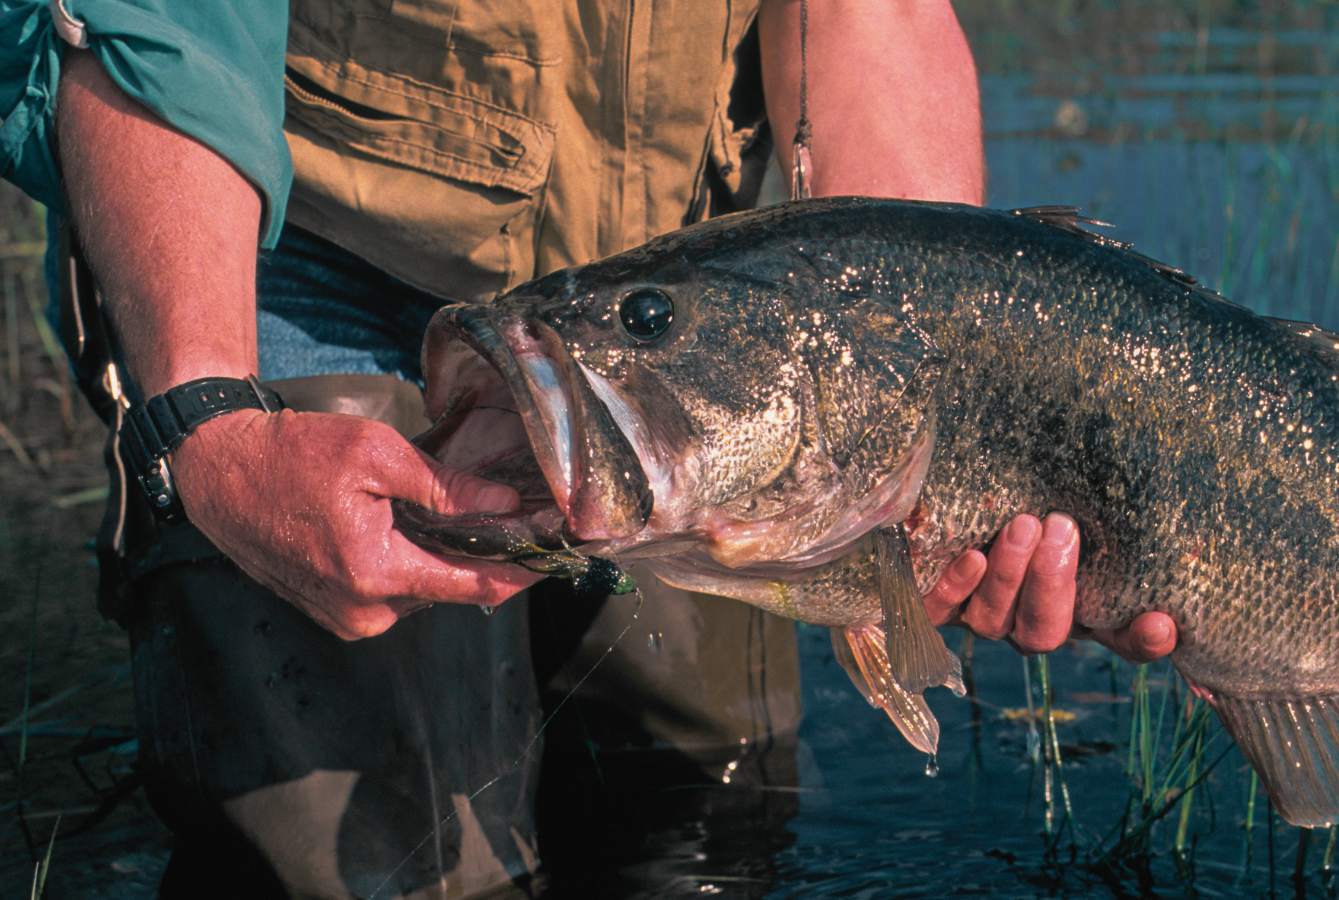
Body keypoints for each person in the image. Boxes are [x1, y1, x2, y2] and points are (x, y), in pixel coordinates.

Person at [3, 0, 1179, 896]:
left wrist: (917, 431)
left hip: (670, 315)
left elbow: (869, 14)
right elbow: (161, 23)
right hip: (292, 242)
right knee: (352, 854)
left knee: (699, 820)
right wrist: (203, 415)